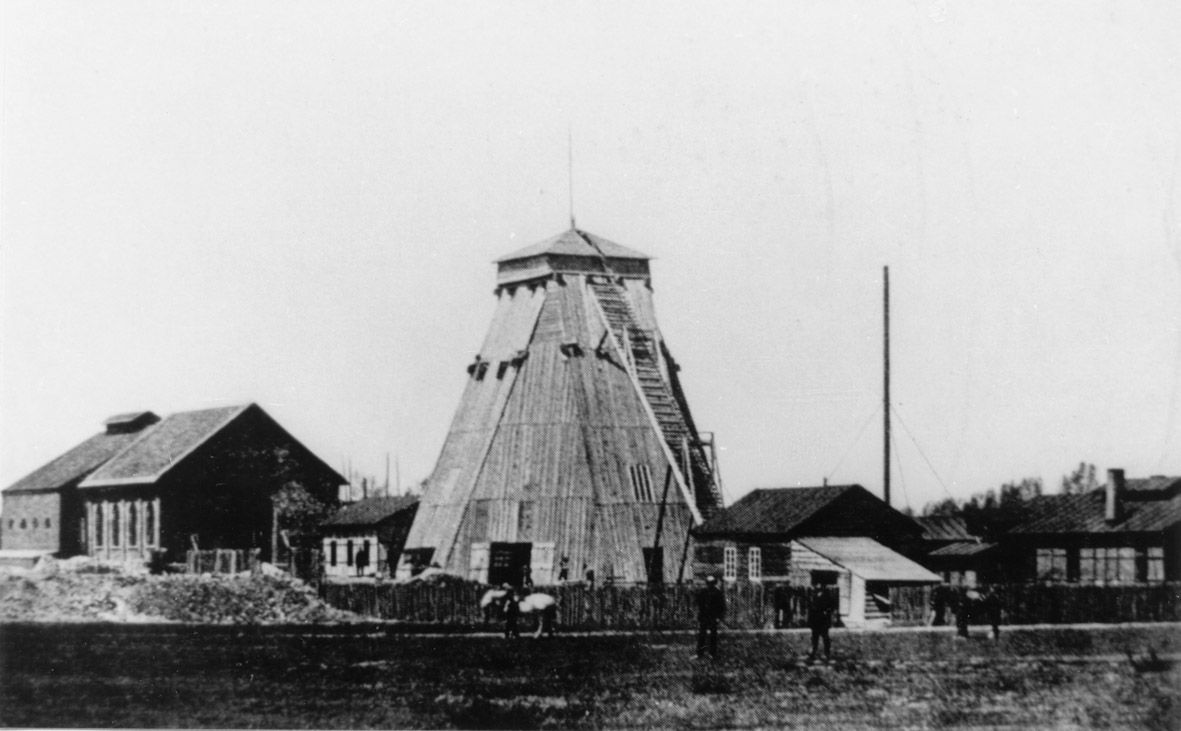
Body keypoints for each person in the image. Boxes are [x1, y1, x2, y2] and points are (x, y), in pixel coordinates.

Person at [696, 576, 725, 658]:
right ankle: (700, 653)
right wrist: (700, 614)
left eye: (711, 583)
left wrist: (719, 617)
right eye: (708, 583)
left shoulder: (718, 593)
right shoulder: (703, 592)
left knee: (713, 635)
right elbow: (699, 603)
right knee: (702, 635)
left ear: (714, 583)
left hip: (713, 616)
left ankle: (712, 653)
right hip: (704, 616)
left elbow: (721, 606)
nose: (710, 585)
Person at [806, 584, 836, 662]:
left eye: (819, 585)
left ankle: (827, 653)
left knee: (825, 637)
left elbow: (832, 606)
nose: (817, 586)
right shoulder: (813, 595)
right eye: (817, 585)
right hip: (815, 620)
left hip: (823, 620)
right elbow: (811, 607)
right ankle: (813, 652)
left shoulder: (827, 595)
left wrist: (826, 612)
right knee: (814, 637)